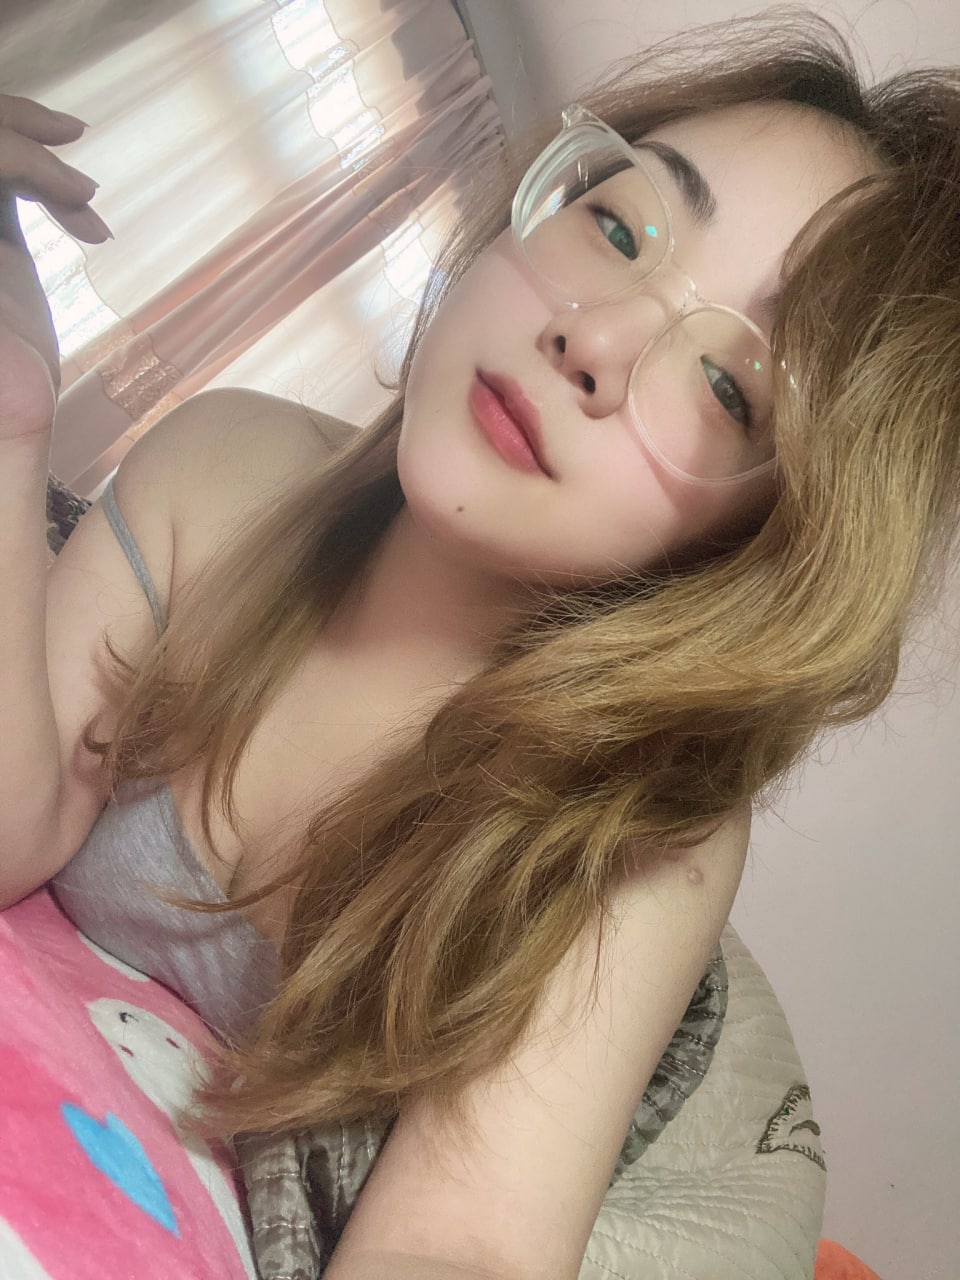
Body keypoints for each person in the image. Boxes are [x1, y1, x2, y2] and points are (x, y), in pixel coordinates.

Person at [1, 10, 958, 1279]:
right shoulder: (221, 465)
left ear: (763, 543)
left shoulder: (644, 828)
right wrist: (15, 404)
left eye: (730, 387)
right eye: (619, 228)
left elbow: (461, 1241)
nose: (594, 340)